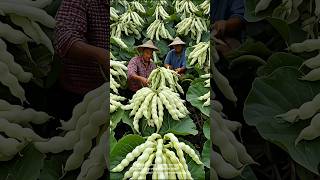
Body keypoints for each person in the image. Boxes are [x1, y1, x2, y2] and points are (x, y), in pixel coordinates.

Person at [50, 0, 108, 120]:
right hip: (78, 95)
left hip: (109, 96)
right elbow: (63, 36)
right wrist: (101, 56)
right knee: (79, 134)